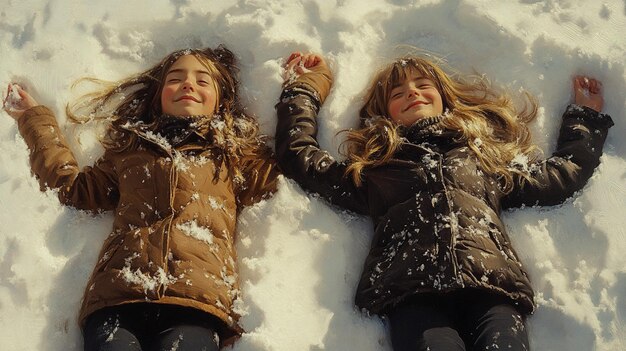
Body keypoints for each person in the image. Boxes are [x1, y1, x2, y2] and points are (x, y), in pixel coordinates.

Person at [275, 52, 613, 350]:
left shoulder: (481, 157)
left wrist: (583, 119)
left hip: (490, 286)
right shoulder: (375, 169)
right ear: (385, 112)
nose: (412, 93)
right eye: (398, 93)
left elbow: (558, 177)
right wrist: (303, 93)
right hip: (412, 291)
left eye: (423, 85)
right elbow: (302, 159)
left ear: (443, 97)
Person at [3, 45, 279, 351]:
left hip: (195, 304)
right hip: (117, 298)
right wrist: (34, 121)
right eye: (176, 78)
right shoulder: (130, 152)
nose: (188, 84)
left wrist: (302, 90)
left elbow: (290, 169)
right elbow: (75, 189)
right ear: (158, 96)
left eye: (203, 81)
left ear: (222, 100)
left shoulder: (234, 156)